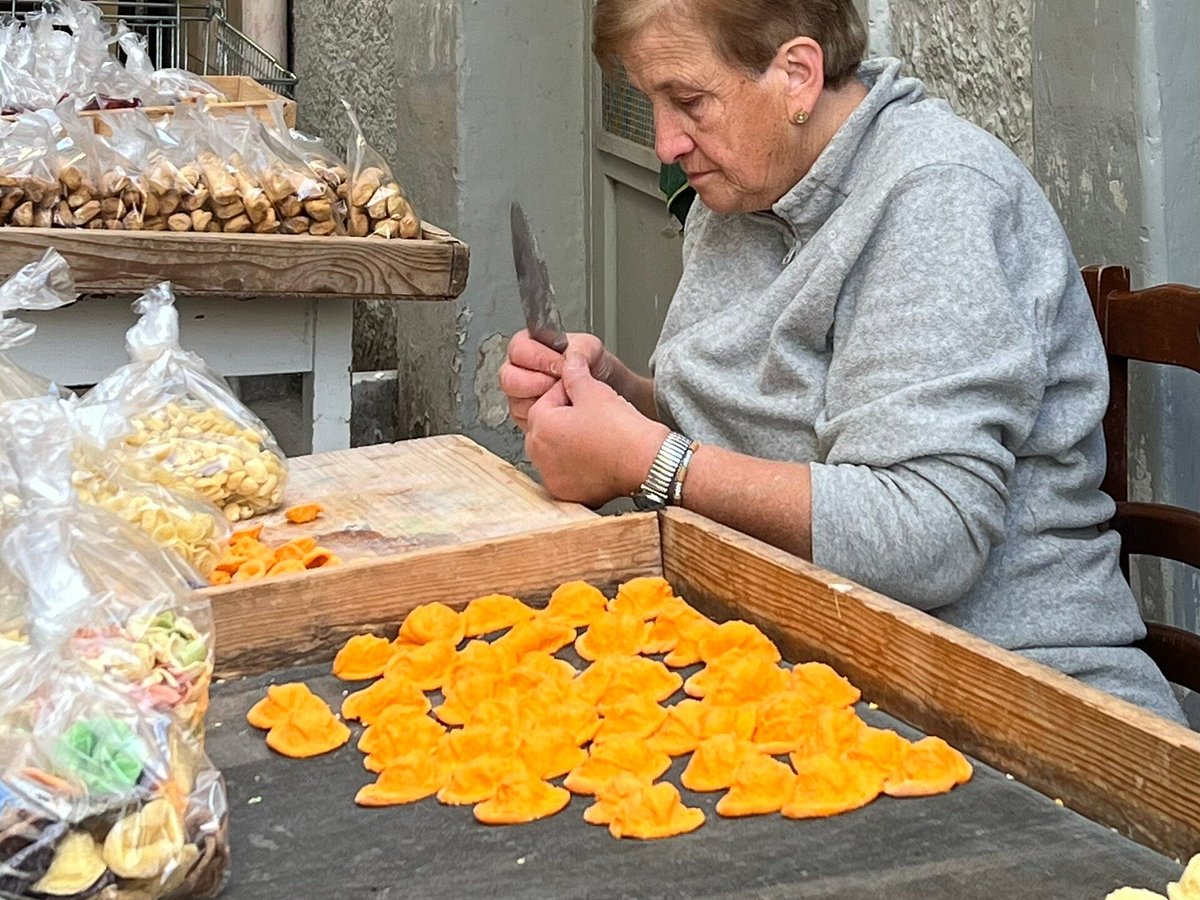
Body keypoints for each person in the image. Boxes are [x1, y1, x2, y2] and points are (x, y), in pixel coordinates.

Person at [498, 0, 1186, 724]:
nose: (667, 143)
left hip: (1011, 693)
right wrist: (617, 399)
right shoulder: (741, 189)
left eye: (689, 101)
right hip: (799, 660)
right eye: (650, 101)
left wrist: (650, 463)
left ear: (798, 74)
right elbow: (745, 442)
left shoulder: (938, 197)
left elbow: (930, 534)